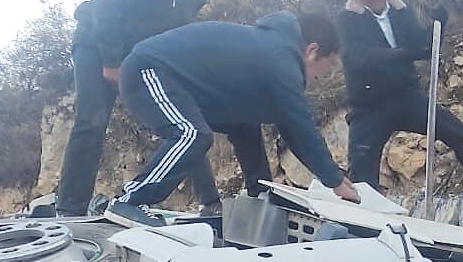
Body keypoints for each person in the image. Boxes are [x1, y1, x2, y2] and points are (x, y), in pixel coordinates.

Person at [113, 12, 359, 212]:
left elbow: (246, 130)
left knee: (242, 125)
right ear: (312, 51)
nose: (315, 79)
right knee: (191, 134)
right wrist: (335, 181)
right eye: (321, 71)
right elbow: (299, 126)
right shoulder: (280, 57)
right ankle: (129, 201)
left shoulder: (267, 55)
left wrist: (262, 197)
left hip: (168, 77)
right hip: (148, 69)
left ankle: (260, 200)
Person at [54, 0, 219, 217]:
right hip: (97, 42)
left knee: (186, 120)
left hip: (145, 53)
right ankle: (70, 209)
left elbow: (182, 28)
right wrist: (111, 60)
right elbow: (106, 5)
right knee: (92, 120)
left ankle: (210, 203)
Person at [337, 0, 463, 192]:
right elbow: (358, 56)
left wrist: (438, 24)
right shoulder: (348, 19)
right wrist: (400, 53)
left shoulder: (400, 14)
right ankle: (364, 211)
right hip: (368, 105)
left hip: (404, 95)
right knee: (361, 165)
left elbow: (424, 47)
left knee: (447, 124)